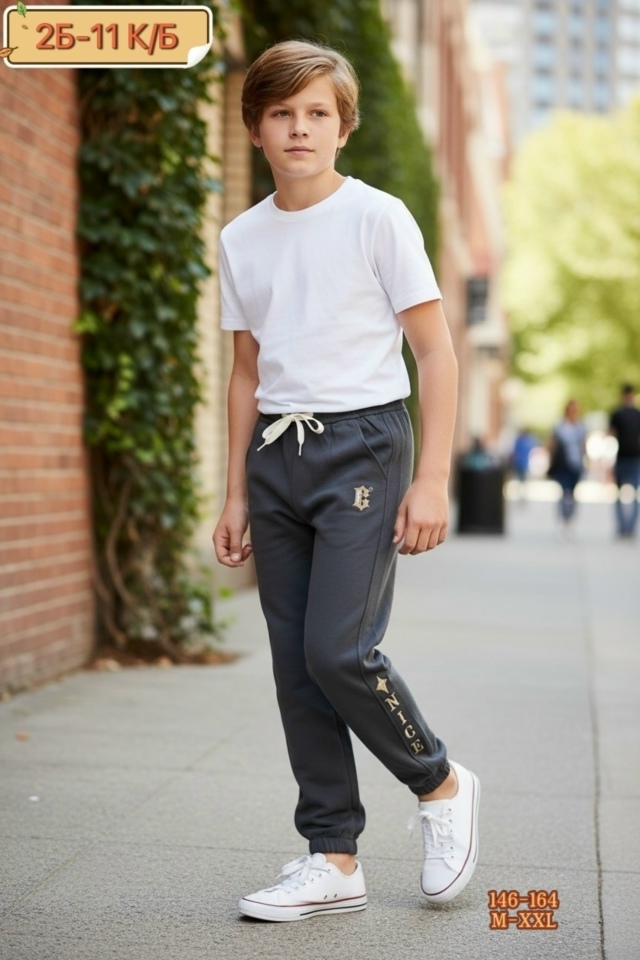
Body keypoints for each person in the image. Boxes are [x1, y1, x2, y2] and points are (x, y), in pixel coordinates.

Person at [212, 40, 480, 923]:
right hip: (275, 454)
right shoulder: (241, 237)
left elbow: (435, 352)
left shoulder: (378, 218)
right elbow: (246, 372)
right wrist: (235, 491)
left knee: (338, 651)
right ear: (255, 127)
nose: (300, 128)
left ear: (344, 126)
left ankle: (439, 783)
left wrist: (432, 479)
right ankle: (332, 856)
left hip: (364, 445)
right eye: (281, 113)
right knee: (296, 667)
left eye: (317, 113)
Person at [547, 399, 586, 530]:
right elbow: (552, 444)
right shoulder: (560, 426)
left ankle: (569, 518)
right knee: (564, 491)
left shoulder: (580, 427)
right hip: (562, 464)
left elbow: (583, 445)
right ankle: (563, 518)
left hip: (576, 464)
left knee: (572, 493)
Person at [609, 384, 640, 538]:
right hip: (626, 457)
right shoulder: (620, 414)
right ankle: (624, 527)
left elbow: (611, 434)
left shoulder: (623, 413)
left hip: (631, 458)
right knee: (623, 494)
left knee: (630, 494)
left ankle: (627, 528)